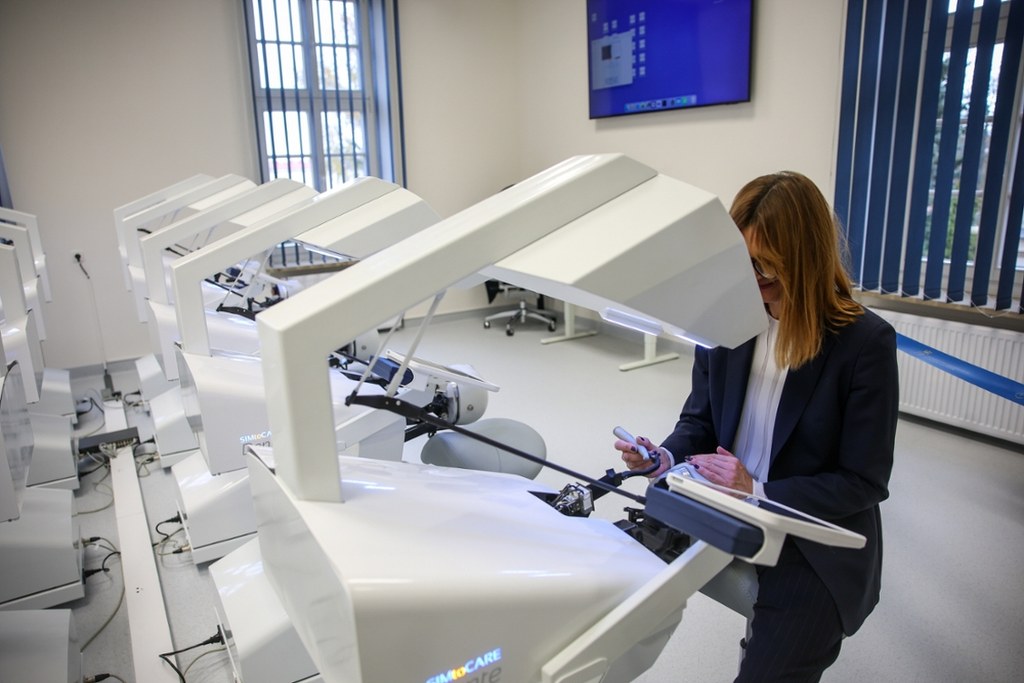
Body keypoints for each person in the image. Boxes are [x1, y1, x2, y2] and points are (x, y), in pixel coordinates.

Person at [616, 171, 899, 682]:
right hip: (719, 502)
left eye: (767, 264)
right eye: (743, 261)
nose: (753, 278)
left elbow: (864, 481)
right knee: (608, 584)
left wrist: (757, 490)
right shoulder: (726, 320)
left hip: (808, 534)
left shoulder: (864, 343)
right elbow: (700, 421)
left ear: (805, 259)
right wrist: (666, 457)